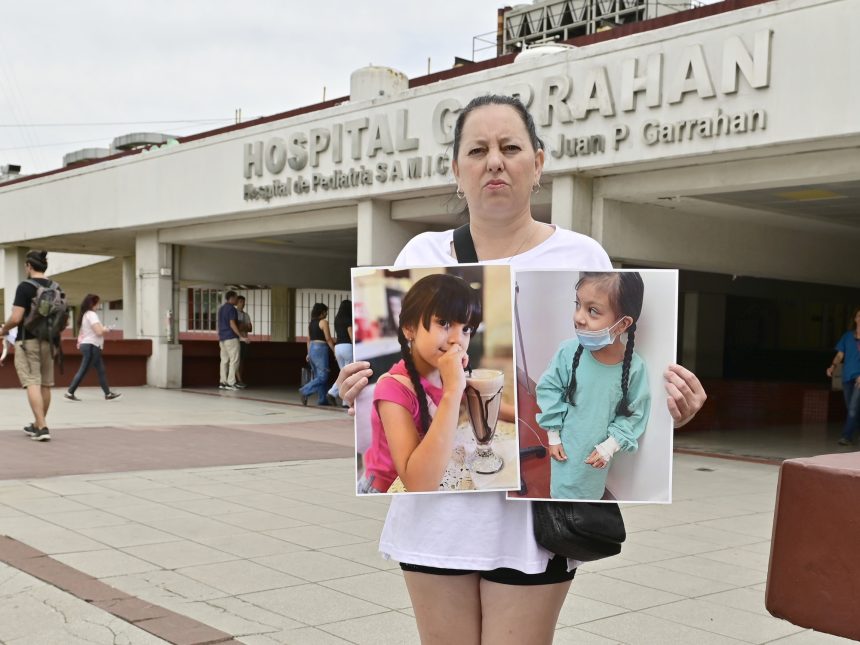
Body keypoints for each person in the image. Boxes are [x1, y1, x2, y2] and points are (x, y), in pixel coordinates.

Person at [336, 95, 707, 644]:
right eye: (477, 150)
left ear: (537, 164)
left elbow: (602, 382)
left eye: (510, 148)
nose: (494, 161)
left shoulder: (581, 255)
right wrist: (358, 391)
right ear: (456, 170)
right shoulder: (422, 252)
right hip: (436, 520)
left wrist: (668, 408)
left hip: (536, 522)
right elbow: (406, 423)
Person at [358, 275, 483, 494]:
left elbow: (480, 404)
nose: (458, 339)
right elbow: (418, 485)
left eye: (467, 329)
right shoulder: (393, 389)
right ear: (409, 328)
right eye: (444, 323)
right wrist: (452, 391)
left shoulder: (445, 372)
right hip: (386, 491)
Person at [536, 272, 650, 500]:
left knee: (590, 502)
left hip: (597, 461)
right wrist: (553, 436)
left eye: (593, 310)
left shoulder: (634, 368)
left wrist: (610, 446)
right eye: (578, 304)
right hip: (564, 450)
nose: (578, 317)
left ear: (623, 324)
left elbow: (636, 412)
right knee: (560, 500)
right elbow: (549, 389)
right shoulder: (567, 352)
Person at [0, 250, 64, 442]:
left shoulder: (25, 287)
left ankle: (42, 427)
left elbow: (16, 318)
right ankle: (38, 423)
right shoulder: (55, 286)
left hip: (27, 341)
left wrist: (4, 329)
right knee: (46, 384)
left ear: (29, 266)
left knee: (32, 382)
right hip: (50, 341)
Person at [64, 294, 121, 401]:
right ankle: (70, 392)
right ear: (92, 304)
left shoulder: (86, 314)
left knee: (101, 370)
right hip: (92, 346)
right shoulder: (92, 314)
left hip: (92, 346)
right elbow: (98, 331)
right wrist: (107, 329)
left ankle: (108, 394)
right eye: (97, 303)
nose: (98, 305)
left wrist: (103, 329)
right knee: (83, 370)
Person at [827, 307, 860, 445]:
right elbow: (840, 355)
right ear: (855, 318)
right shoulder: (847, 336)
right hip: (847, 377)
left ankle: (846, 437)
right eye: (859, 316)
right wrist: (832, 366)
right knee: (852, 408)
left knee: (852, 408)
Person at [300, 303, 335, 406]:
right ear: (322, 312)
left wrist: (308, 353)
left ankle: (322, 399)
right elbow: (328, 338)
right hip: (320, 349)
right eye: (326, 312)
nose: (326, 314)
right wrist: (334, 350)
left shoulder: (310, 323)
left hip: (312, 348)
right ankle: (305, 390)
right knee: (323, 376)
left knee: (318, 376)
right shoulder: (323, 322)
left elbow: (308, 339)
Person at [327, 299, 354, 407]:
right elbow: (351, 333)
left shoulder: (337, 319)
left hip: (338, 347)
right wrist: (355, 345)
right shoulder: (348, 319)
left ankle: (343, 400)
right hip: (347, 346)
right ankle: (334, 394)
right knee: (348, 374)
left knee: (343, 374)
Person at [217, 290, 241, 390]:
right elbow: (232, 323)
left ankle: (223, 382)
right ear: (232, 298)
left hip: (222, 338)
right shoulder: (231, 309)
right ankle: (231, 383)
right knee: (234, 360)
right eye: (236, 298)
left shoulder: (221, 308)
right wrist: (240, 335)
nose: (237, 300)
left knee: (224, 360)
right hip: (231, 337)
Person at [235, 295, 252, 389]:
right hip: (237, 340)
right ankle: (238, 380)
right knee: (236, 360)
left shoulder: (246, 315)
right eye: (241, 302)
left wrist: (242, 326)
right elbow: (238, 327)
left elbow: (250, 328)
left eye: (244, 302)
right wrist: (244, 326)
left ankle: (239, 379)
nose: (243, 304)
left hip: (245, 340)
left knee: (242, 361)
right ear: (237, 303)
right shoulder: (234, 314)